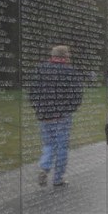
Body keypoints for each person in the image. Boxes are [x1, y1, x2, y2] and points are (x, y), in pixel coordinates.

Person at [29, 45, 83, 188]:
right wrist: (70, 108)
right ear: (65, 56)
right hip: (62, 116)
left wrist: (38, 109)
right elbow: (77, 95)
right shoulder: (70, 72)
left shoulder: (40, 69)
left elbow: (32, 92)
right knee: (61, 147)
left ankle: (44, 167)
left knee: (48, 144)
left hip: (44, 116)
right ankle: (58, 178)